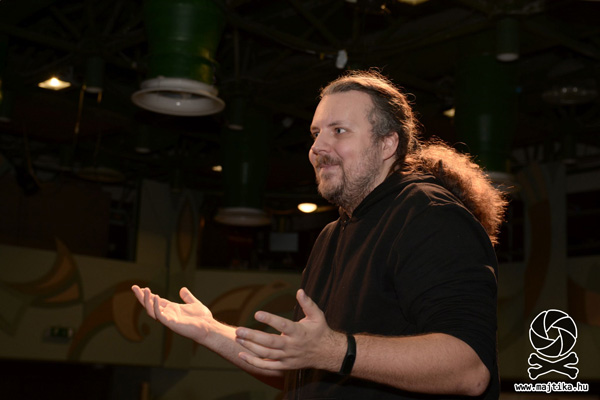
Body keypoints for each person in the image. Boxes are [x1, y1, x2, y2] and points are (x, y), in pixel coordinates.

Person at [132, 69, 506, 399]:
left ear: (388, 144)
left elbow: (469, 369)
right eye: (315, 133)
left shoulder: (429, 214)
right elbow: (298, 370)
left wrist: (334, 350)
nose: (316, 148)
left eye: (338, 131)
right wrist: (209, 330)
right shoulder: (332, 235)